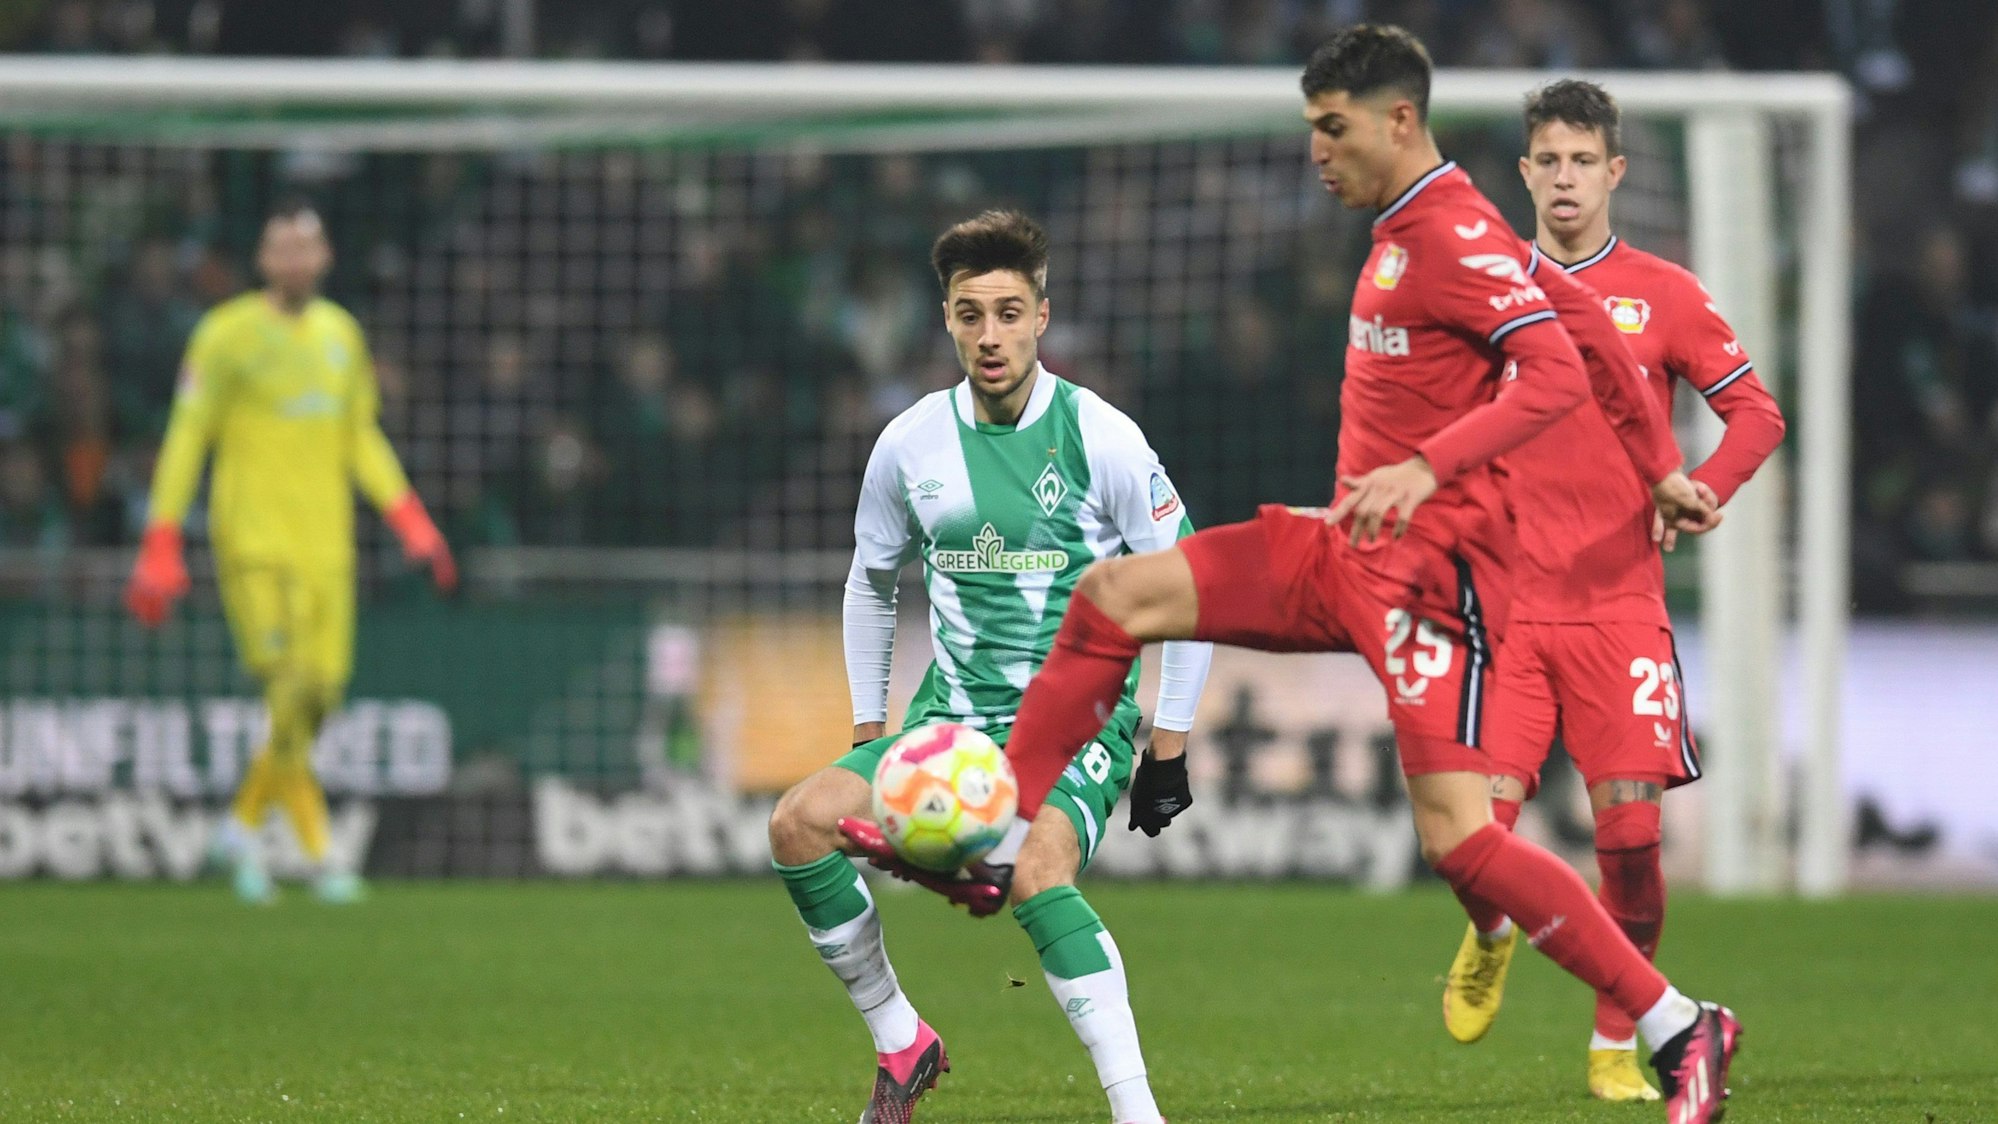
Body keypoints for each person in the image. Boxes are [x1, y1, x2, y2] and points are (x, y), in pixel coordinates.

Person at [853, 26, 1745, 1124]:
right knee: (1115, 595)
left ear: (1398, 121)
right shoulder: (1413, 227)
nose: (1317, 150)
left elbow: (1556, 370)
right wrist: (1663, 467)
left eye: (1333, 129)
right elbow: (1595, 345)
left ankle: (1674, 1022)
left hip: (1435, 582)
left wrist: (1429, 465)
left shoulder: (1458, 232)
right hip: (1341, 551)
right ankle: (1002, 830)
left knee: (1463, 839)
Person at [766, 209, 1214, 1124]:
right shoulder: (910, 443)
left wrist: (1169, 743)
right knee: (798, 826)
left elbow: (1191, 581)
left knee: (1039, 875)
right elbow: (869, 583)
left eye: (1010, 312)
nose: (991, 335)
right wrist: (867, 733)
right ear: (947, 320)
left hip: (1078, 727)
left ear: (1043, 317)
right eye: (971, 314)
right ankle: (902, 1039)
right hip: (948, 726)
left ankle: (1138, 1113)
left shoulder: (1102, 437)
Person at [1440, 78, 1786, 1101]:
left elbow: (1757, 414)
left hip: (1619, 606)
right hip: (1507, 609)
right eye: (1546, 159)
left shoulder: (1665, 293)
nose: (1563, 177)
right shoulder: (1484, 294)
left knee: (1631, 842)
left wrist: (1700, 493)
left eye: (1581, 160)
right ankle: (1492, 926)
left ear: (1615, 172)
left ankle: (1614, 1040)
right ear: (1523, 172)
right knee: (1472, 838)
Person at [125, 201, 456, 905]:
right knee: (289, 688)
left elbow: (359, 437)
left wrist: (412, 521)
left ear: (326, 256)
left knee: (320, 696)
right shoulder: (224, 335)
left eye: (308, 247)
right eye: (283, 247)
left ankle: (242, 827)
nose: (296, 259)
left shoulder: (342, 335)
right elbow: (188, 436)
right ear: (263, 260)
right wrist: (161, 538)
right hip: (253, 543)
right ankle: (319, 851)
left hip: (326, 549)